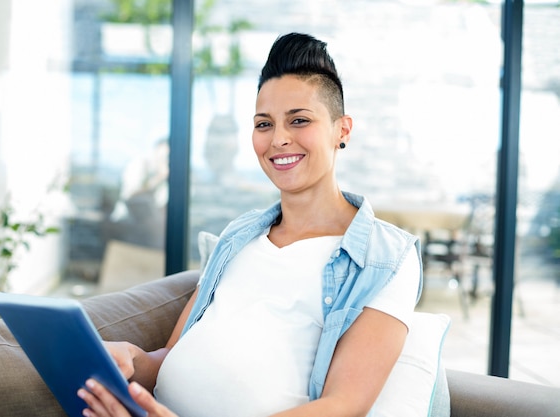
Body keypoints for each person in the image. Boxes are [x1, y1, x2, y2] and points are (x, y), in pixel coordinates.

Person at [78, 32, 422, 417]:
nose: (278, 140)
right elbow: (171, 356)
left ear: (342, 130)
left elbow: (343, 405)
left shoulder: (386, 259)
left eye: (299, 120)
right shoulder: (239, 236)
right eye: (264, 124)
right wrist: (132, 361)